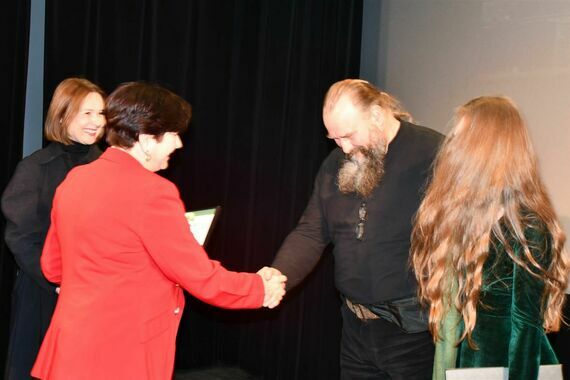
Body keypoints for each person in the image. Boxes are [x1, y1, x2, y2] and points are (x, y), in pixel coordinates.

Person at [29, 82, 286, 380]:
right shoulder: (153, 192)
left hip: (69, 353)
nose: (178, 145)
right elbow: (201, 278)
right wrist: (259, 288)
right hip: (122, 357)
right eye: (174, 135)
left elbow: (52, 267)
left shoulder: (75, 180)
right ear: (147, 139)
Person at [267, 79, 444, 379]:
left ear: (376, 114)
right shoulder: (334, 163)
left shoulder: (433, 153)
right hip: (354, 330)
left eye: (348, 136)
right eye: (334, 138)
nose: (344, 149)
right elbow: (311, 230)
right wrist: (278, 274)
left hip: (414, 335)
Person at [411, 96, 569, 380]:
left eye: (460, 138)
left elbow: (526, 330)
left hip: (508, 369)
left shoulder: (527, 226)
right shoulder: (467, 217)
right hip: (468, 365)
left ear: (486, 148)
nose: (450, 147)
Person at [2, 77, 106, 380]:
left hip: (98, 294)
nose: (96, 121)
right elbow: (21, 237)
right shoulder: (35, 168)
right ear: (62, 114)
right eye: (87, 113)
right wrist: (58, 281)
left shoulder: (109, 167)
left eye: (101, 113)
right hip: (44, 292)